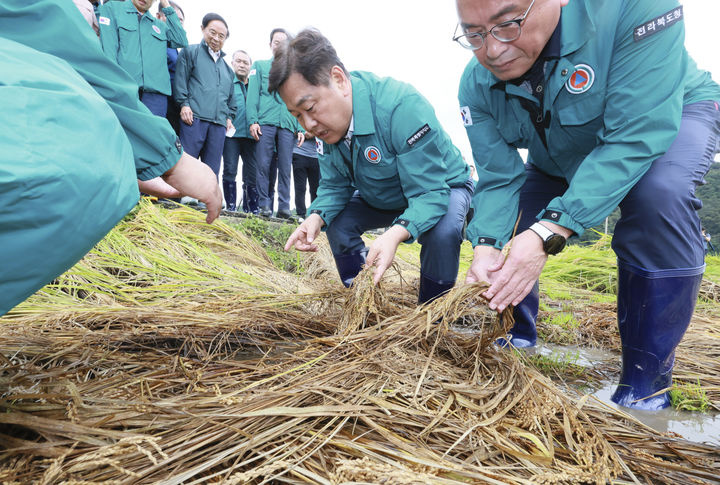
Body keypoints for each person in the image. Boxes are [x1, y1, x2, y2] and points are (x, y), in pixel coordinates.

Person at [455, 0, 720, 410]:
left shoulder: (636, 8)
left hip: (665, 115)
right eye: (473, 33)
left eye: (507, 23)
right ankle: (517, 333)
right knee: (514, 220)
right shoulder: (477, 83)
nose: (492, 50)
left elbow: (635, 135)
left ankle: (644, 385)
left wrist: (550, 231)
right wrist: (486, 243)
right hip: (560, 151)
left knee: (658, 197)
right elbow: (499, 176)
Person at [0, 0, 221, 316]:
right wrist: (172, 160)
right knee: (98, 131)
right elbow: (77, 50)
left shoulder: (158, 23)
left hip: (133, 95)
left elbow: (179, 43)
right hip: (111, 91)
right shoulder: (111, 12)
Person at [270, 29, 474, 304]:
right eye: (297, 115)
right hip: (383, 193)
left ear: (339, 80)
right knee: (337, 221)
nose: (308, 125)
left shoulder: (401, 106)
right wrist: (315, 217)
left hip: (441, 188)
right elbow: (334, 185)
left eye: (311, 107)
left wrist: (395, 233)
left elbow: (429, 194)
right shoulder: (327, 128)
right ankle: (363, 302)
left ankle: (432, 314)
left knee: (443, 232)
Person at [98, 0, 187, 117]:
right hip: (125, 89)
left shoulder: (159, 25)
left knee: (152, 134)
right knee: (123, 132)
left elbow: (180, 40)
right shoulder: (113, 9)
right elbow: (109, 50)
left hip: (156, 97)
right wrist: (114, 85)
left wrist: (166, 4)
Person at [174, 13, 236, 179]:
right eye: (212, 32)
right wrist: (184, 104)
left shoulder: (228, 70)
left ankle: (205, 202)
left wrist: (229, 117)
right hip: (194, 119)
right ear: (203, 29)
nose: (216, 38)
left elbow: (232, 100)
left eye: (221, 36)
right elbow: (180, 81)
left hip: (218, 124)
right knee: (187, 162)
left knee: (212, 169)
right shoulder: (190, 52)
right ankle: (179, 199)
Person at [246, 28, 298, 219]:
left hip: (287, 124)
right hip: (265, 122)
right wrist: (253, 121)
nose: (280, 46)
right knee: (263, 165)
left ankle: (284, 206)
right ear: (270, 45)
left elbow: (297, 100)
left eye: (284, 43)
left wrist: (299, 127)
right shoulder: (259, 67)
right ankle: (264, 205)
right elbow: (251, 98)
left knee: (285, 167)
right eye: (276, 42)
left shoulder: (293, 72)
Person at [222, 50, 259, 213]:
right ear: (232, 63)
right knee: (230, 168)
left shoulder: (254, 85)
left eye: (245, 62)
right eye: (239, 61)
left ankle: (250, 208)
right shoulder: (227, 82)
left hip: (252, 136)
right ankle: (230, 206)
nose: (242, 65)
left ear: (250, 66)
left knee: (252, 172)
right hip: (232, 135)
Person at [156, 0, 185, 136]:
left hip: (175, 105)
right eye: (173, 18)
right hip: (158, 100)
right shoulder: (154, 41)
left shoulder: (175, 48)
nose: (177, 23)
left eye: (180, 20)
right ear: (159, 17)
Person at [291, 131, 320, 221]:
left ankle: (314, 214)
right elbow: (292, 129)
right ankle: (301, 214)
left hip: (316, 156)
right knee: (300, 187)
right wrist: (303, 133)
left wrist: (312, 133)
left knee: (316, 188)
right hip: (298, 153)